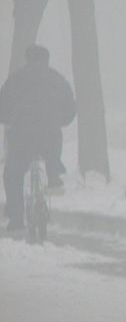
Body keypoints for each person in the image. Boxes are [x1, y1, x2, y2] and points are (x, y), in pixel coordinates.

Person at [0, 44, 76, 231]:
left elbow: (2, 106)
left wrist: (9, 119)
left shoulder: (15, 79)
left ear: (27, 59)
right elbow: (70, 108)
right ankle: (53, 175)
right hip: (50, 136)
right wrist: (61, 121)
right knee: (53, 153)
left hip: (22, 136)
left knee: (12, 174)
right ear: (47, 60)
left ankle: (17, 218)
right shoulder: (58, 79)